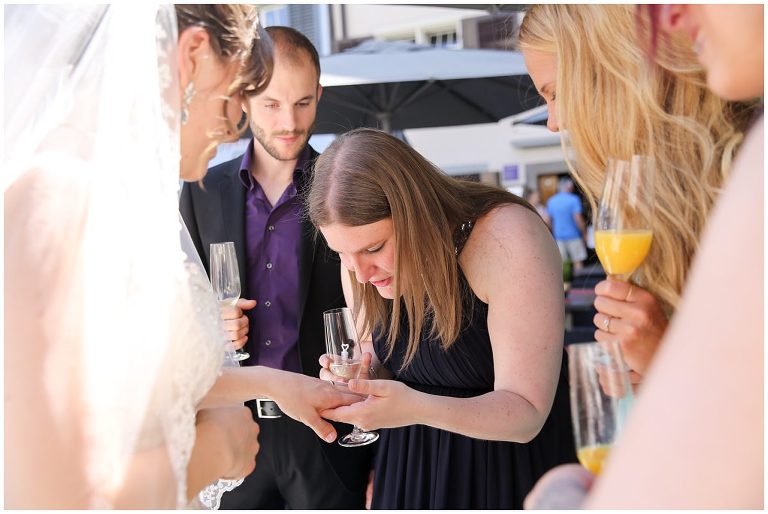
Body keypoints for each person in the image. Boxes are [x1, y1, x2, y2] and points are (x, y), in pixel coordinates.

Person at [4, 5, 359, 509]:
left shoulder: (125, 199)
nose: (240, 122)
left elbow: (143, 384)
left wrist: (271, 383)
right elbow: (59, 495)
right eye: (241, 92)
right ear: (192, 55)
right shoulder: (62, 198)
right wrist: (216, 453)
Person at [524, 4, 763, 508]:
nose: (553, 121)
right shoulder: (658, 202)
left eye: (556, 93)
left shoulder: (745, 179)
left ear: (609, 73)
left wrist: (667, 360)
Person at [307, 128, 577, 509]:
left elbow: (526, 413)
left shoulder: (506, 237)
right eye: (342, 254)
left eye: (374, 248)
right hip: (410, 471)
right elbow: (378, 358)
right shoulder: (358, 266)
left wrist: (414, 406)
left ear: (416, 212)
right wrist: (364, 378)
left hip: (505, 475)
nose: (360, 273)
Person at [180, 26, 373, 509]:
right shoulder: (200, 191)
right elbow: (184, 311)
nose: (289, 121)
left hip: (329, 432)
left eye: (304, 103)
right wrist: (212, 323)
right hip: (234, 432)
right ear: (244, 96)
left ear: (320, 94)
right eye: (271, 104)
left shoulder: (350, 186)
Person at [546, 177, 587, 272]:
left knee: (561, 264)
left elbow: (548, 220)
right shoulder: (574, 199)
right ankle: (579, 284)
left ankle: (565, 285)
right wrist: (584, 233)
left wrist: (552, 233)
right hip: (574, 235)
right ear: (568, 187)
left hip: (558, 237)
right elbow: (578, 219)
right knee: (578, 261)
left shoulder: (551, 201)